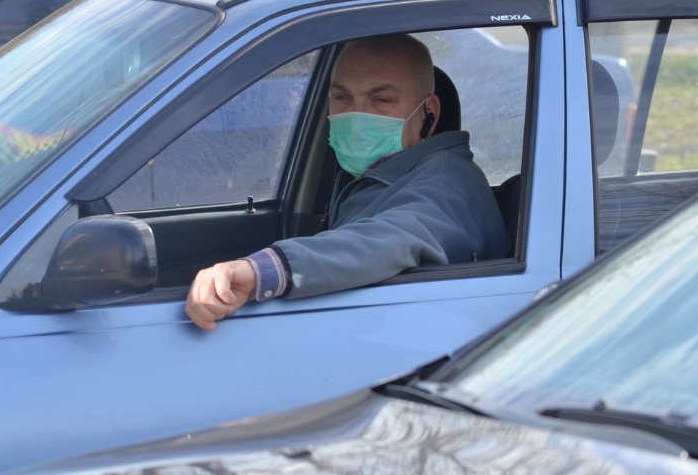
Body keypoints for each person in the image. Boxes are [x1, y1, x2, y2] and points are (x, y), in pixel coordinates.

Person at [185, 34, 510, 330]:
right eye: (342, 97)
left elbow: (389, 240)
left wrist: (264, 271)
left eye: (381, 100)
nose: (356, 115)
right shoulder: (376, 174)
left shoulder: (446, 182)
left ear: (430, 113)